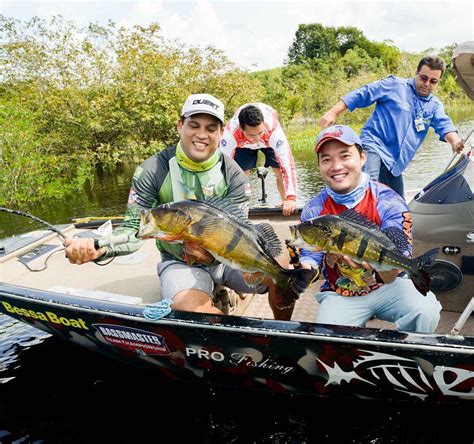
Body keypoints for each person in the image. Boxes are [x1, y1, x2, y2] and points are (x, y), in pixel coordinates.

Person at [64, 93, 293, 320]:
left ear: (221, 132)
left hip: (230, 259)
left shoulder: (235, 175)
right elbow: (133, 230)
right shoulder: (151, 170)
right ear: (180, 125)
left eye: (211, 128)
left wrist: (212, 255)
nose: (202, 135)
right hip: (179, 263)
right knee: (191, 309)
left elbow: (240, 230)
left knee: (285, 275)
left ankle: (282, 339)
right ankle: (242, 348)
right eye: (194, 125)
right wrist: (100, 246)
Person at [297, 124, 441, 333]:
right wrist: (302, 271)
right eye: (326, 159)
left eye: (345, 156)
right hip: (340, 291)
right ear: (319, 165)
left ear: (363, 157)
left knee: (425, 310)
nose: (336, 166)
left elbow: (394, 268)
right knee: (326, 338)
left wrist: (374, 270)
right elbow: (311, 258)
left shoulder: (389, 202)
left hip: (389, 286)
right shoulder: (314, 210)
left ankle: (408, 358)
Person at [319, 56, 465, 197]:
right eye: (423, 78)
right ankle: (357, 218)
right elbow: (362, 94)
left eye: (433, 81)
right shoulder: (395, 85)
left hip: (395, 164)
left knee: (398, 206)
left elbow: (444, 124)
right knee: (369, 185)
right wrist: (333, 112)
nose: (427, 84)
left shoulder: (434, 105)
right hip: (374, 146)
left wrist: (454, 141)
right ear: (416, 73)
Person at [220, 103, 297, 216]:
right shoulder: (230, 133)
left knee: (279, 171)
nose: (256, 138)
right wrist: (222, 201)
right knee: (241, 175)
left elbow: (288, 165)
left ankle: (285, 201)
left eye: (259, 133)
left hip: (268, 141)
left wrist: (291, 198)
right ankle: (240, 203)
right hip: (243, 145)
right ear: (242, 128)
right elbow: (222, 167)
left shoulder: (273, 129)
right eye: (252, 135)